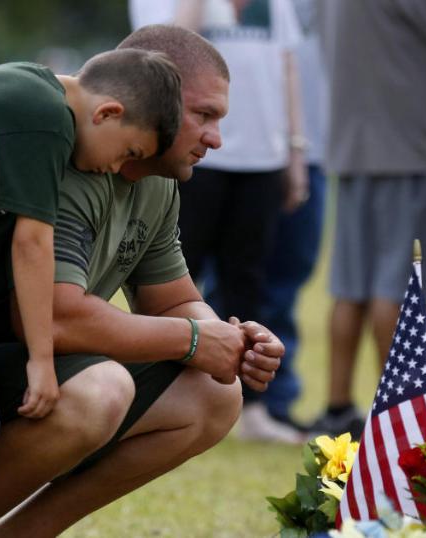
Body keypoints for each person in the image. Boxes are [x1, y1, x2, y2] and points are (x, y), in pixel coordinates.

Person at [0, 25, 285, 537]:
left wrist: (229, 340)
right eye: (204, 115)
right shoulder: (64, 155)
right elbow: (53, 318)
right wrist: (195, 339)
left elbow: (173, 303)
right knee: (97, 391)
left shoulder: (154, 183)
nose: (216, 138)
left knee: (214, 394)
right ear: (151, 94)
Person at [129, 0, 307, 443]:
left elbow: (287, 65)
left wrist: (295, 148)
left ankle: (252, 405)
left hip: (263, 155)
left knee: (248, 280)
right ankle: (161, 391)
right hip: (193, 158)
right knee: (174, 277)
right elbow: (160, 56)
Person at [311, 0, 426, 436]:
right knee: (399, 287)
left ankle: (337, 406)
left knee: (350, 286)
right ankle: (400, 412)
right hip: (408, 145)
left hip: (351, 143)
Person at [259, 0, 329, 432]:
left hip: (314, 149)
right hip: (256, 151)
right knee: (235, 276)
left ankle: (274, 397)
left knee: (291, 273)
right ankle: (236, 395)